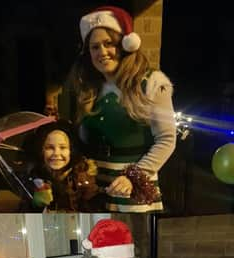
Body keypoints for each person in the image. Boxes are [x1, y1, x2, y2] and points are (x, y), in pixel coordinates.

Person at [67, 6, 177, 213]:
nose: (102, 52)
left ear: (125, 45)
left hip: (132, 193)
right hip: (95, 193)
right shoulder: (88, 87)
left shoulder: (152, 83)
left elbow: (167, 139)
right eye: (95, 47)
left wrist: (134, 176)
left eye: (109, 44)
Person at [22, 119, 102, 212]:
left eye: (63, 147)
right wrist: (35, 205)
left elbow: (92, 211)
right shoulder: (34, 178)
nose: (56, 153)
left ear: (71, 151)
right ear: (42, 151)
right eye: (50, 148)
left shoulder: (82, 177)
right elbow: (22, 216)